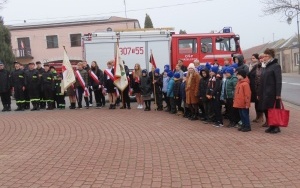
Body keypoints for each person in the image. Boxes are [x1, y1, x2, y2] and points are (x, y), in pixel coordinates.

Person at [258, 48, 282, 134]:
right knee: (267, 109)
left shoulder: (276, 66)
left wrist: (278, 94)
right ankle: (271, 126)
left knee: (274, 110)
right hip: (265, 92)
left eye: (265, 56)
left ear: (270, 56)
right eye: (263, 56)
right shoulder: (266, 66)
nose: (263, 58)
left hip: (272, 92)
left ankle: (276, 127)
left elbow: (278, 80)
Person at [248, 53, 264, 124]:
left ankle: (261, 117)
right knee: (256, 103)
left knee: (259, 103)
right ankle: (257, 116)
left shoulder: (261, 66)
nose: (252, 59)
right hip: (253, 87)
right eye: (252, 58)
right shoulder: (252, 66)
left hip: (258, 87)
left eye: (254, 58)